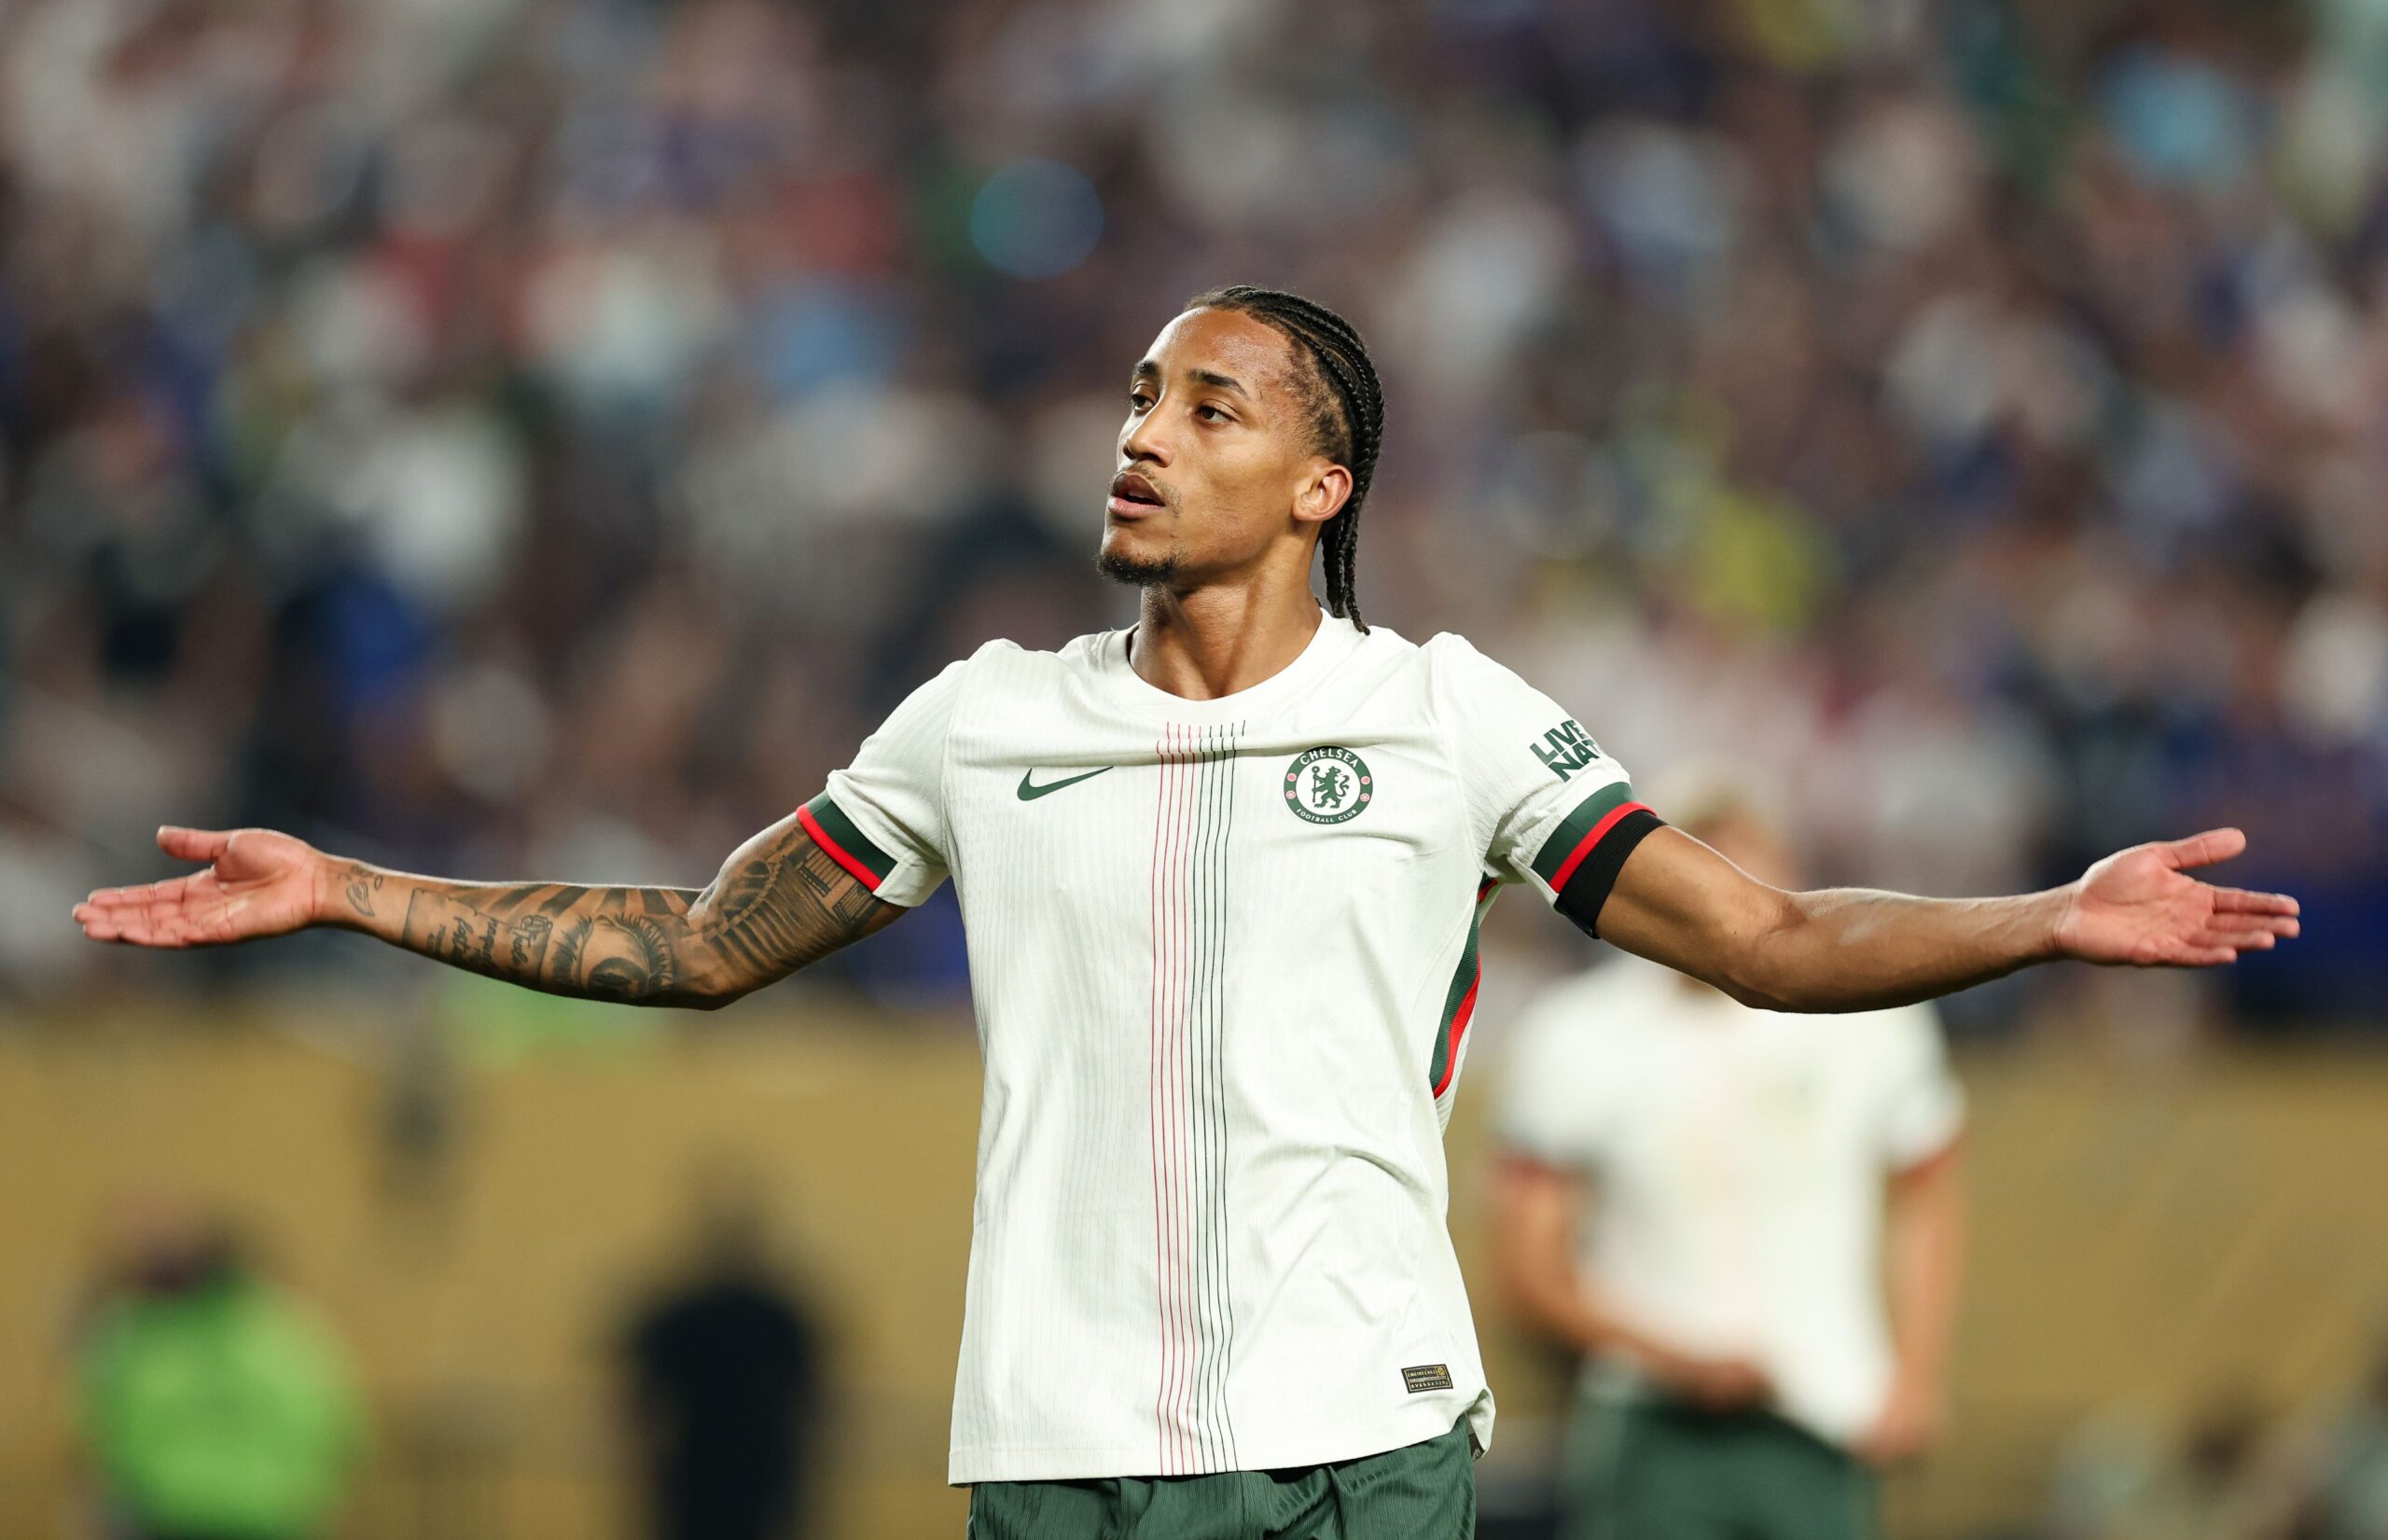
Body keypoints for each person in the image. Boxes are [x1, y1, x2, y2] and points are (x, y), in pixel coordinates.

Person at [73, 287, 2302, 1539]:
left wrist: (2044, 914)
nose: (1140, 432)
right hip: (1049, 1450)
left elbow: (1769, 936)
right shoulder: (979, 720)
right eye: (1139, 394)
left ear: (1317, 483)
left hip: (1354, 1433)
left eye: (1205, 405)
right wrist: (344, 885)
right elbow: (694, 941)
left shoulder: (1442, 714)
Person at [1492, 769, 1966, 1540]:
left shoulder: (1868, 1015)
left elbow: (1931, 1193)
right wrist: (1673, 1357)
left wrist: (1915, 1375)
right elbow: (1530, 1267)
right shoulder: (1577, 1035)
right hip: (1650, 1423)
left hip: (1827, 1413)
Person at [76, 1217, 364, 1540]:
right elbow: (344, 1434)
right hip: (274, 1518)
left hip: (169, 1517)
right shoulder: (297, 1341)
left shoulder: (150, 1340)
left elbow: (101, 1432)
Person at [621, 1177, 830, 1540]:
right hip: (754, 1467)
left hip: (700, 1468)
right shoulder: (777, 1317)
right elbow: (811, 1399)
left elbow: (642, 1401)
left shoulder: (684, 1315)